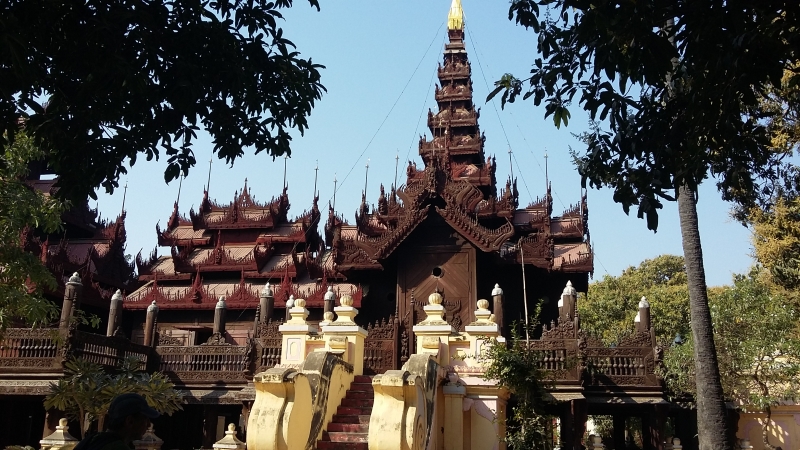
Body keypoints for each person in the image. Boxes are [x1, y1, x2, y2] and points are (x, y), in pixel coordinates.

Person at [74, 393, 160, 450]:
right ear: (130, 421)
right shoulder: (117, 447)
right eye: (145, 419)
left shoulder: (90, 441)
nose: (149, 425)